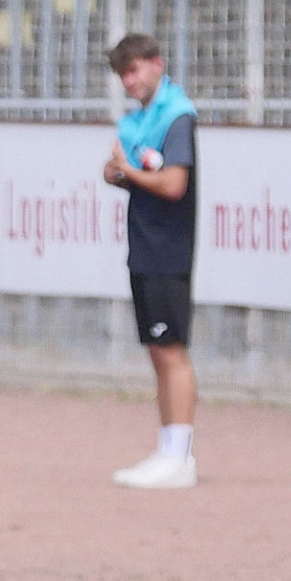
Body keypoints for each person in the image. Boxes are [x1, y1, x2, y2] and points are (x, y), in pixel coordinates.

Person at [103, 32, 199, 489]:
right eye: (122, 74)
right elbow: (126, 171)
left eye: (134, 69)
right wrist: (117, 173)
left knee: (171, 351)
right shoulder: (137, 121)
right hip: (143, 247)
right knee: (158, 352)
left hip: (168, 249)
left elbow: (174, 184)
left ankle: (180, 457)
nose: (129, 80)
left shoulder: (177, 116)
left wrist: (127, 171)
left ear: (157, 64)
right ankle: (167, 450)